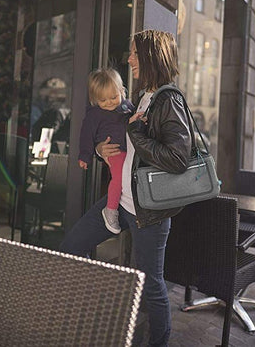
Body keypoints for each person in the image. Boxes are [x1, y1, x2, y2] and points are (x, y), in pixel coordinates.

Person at [61, 30, 191, 346]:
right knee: (71, 248)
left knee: (151, 284)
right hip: (120, 200)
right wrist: (98, 150)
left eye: (134, 53)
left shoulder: (169, 100)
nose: (129, 58)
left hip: (150, 210)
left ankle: (158, 342)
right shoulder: (142, 96)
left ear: (150, 56)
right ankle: (88, 317)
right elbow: (119, 143)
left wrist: (136, 134)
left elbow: (178, 158)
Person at [77, 68, 134, 234]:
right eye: (103, 100)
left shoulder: (127, 106)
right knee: (119, 179)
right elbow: (86, 136)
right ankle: (110, 210)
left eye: (114, 97)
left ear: (121, 91)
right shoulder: (94, 115)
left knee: (126, 178)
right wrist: (85, 156)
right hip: (114, 151)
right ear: (95, 100)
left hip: (128, 151)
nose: (109, 102)